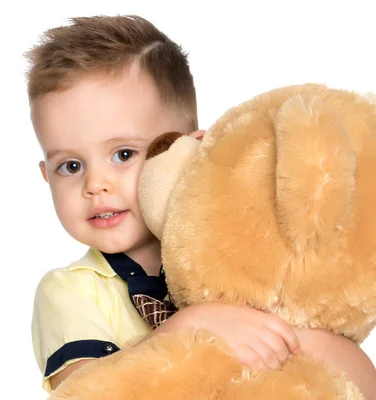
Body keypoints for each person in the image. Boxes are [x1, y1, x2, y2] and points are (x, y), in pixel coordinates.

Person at [25, 14, 376, 397]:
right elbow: (85, 391)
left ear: (183, 151)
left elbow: (363, 382)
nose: (95, 185)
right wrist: (193, 328)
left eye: (123, 154)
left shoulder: (243, 256)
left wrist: (280, 338)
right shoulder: (70, 291)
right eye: (70, 166)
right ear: (47, 176)